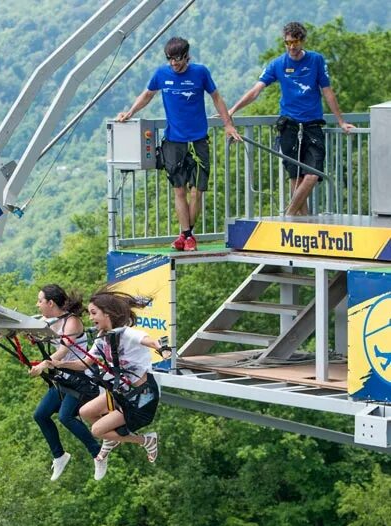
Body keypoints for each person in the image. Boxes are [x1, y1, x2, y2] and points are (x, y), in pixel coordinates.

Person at [117, 37, 241, 251]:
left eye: (178, 59)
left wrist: (227, 124)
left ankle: (186, 234)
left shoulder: (200, 72)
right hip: (174, 141)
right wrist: (130, 112)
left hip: (198, 139)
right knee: (179, 190)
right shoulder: (161, 74)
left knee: (197, 191)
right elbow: (147, 95)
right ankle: (187, 235)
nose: (174, 64)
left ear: (187, 57)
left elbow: (216, 98)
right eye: (170, 60)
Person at [229, 22, 354, 216]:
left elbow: (327, 91)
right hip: (289, 127)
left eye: (295, 42)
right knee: (295, 179)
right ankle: (303, 230)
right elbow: (256, 90)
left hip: (312, 126)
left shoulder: (316, 60)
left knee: (312, 175)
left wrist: (341, 121)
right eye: (287, 43)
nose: (291, 47)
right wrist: (233, 110)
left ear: (303, 41)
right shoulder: (278, 64)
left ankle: (287, 216)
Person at [77, 288, 164, 481]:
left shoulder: (125, 334)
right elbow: (84, 362)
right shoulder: (102, 339)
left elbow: (144, 339)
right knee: (85, 412)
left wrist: (158, 346)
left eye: (93, 313)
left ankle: (146, 440)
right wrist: (51, 363)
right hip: (123, 394)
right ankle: (112, 438)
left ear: (106, 314)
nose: (91, 319)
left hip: (141, 398)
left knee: (97, 430)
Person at [30, 285, 101, 481]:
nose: (37, 305)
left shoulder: (72, 323)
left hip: (80, 378)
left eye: (40, 301)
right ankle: (60, 455)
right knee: (41, 415)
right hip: (63, 378)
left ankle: (98, 453)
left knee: (65, 416)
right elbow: (28, 327)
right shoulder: (49, 321)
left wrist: (43, 365)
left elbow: (62, 351)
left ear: (50, 303)